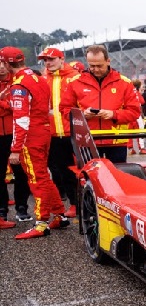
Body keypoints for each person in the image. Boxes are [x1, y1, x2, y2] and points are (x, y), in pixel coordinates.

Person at [1, 47, 66, 239]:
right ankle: (60, 214)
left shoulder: (19, 84)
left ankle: (41, 222)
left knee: (36, 179)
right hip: (44, 131)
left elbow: (21, 120)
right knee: (44, 176)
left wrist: (15, 149)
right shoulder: (37, 77)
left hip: (31, 136)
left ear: (6, 63)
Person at [59, 45, 142, 164]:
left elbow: (134, 112)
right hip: (87, 141)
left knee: (116, 178)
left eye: (99, 65)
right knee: (90, 179)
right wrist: (82, 115)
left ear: (108, 61)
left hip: (116, 141)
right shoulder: (75, 82)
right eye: (92, 66)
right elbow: (64, 110)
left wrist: (113, 115)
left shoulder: (124, 83)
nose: (96, 69)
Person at [38, 47, 79, 217]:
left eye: (51, 59)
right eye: (45, 60)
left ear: (62, 59)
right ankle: (74, 204)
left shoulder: (76, 77)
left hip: (74, 132)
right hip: (54, 134)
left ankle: (91, 201)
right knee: (63, 171)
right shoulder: (42, 79)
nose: (48, 63)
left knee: (82, 170)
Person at [0, 54, 30, 227]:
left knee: (21, 172)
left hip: (16, 133)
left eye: (4, 63)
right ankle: (2, 210)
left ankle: (22, 207)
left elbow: (16, 107)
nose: (2, 67)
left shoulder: (19, 81)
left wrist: (3, 104)